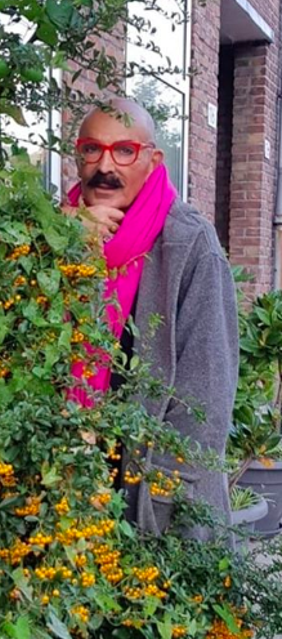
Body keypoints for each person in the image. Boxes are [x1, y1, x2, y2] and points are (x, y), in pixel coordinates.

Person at [62, 98, 239, 539]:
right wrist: (60, 239)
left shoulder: (190, 245)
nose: (106, 166)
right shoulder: (54, 229)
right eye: (92, 149)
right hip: (63, 486)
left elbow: (207, 392)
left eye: (124, 151)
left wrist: (161, 501)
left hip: (152, 502)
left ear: (152, 159)